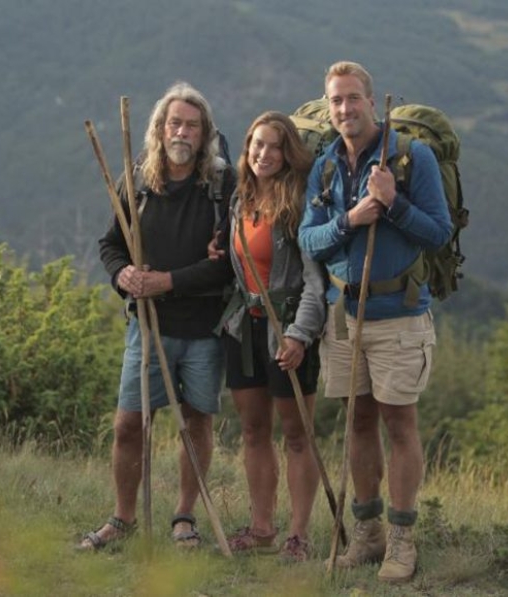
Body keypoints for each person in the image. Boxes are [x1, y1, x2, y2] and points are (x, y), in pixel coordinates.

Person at [298, 62, 452, 582]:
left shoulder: (413, 157)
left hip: (399, 315)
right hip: (344, 317)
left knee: (398, 424)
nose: (345, 109)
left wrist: (393, 204)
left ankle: (403, 540)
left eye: (353, 99)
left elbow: (438, 233)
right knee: (358, 422)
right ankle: (367, 535)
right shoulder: (323, 166)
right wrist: (351, 219)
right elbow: (308, 240)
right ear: (327, 106)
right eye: (336, 101)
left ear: (371, 100)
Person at [78, 81, 236, 551]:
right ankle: (123, 518)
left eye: (191, 124)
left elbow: (229, 262)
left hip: (205, 328)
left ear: (205, 132)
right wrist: (123, 274)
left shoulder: (223, 186)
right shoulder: (139, 181)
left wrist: (165, 281)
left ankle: (184, 516)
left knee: (196, 424)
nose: (181, 132)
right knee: (128, 424)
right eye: (174, 123)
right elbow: (110, 244)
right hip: (147, 328)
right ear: (159, 129)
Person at [215, 111, 325, 562]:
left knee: (297, 435)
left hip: (289, 330)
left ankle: (298, 536)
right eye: (256, 144)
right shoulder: (240, 202)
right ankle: (262, 528)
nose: (263, 154)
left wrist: (299, 336)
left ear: (288, 153)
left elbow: (315, 284)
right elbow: (238, 266)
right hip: (245, 328)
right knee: (254, 430)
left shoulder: (300, 206)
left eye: (274, 146)